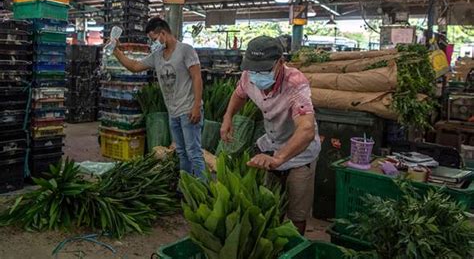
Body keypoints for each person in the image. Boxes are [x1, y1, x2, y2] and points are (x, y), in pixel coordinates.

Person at [220, 36, 321, 235]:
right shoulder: (248, 76)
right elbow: (239, 94)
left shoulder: (295, 83)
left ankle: (293, 249)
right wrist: (228, 117)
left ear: (280, 63)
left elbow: (307, 130)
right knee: (270, 204)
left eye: (264, 69)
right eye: (253, 68)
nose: (257, 75)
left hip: (299, 153)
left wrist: (280, 158)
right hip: (271, 145)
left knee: (296, 213)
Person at [112, 16, 206, 178]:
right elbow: (135, 66)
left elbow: (197, 78)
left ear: (163, 33)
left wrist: (197, 106)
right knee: (182, 152)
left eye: (153, 39)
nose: (152, 43)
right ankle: (185, 187)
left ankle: (203, 191)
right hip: (173, 112)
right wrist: (116, 51)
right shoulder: (157, 56)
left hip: (189, 110)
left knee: (193, 153)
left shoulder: (185, 50)